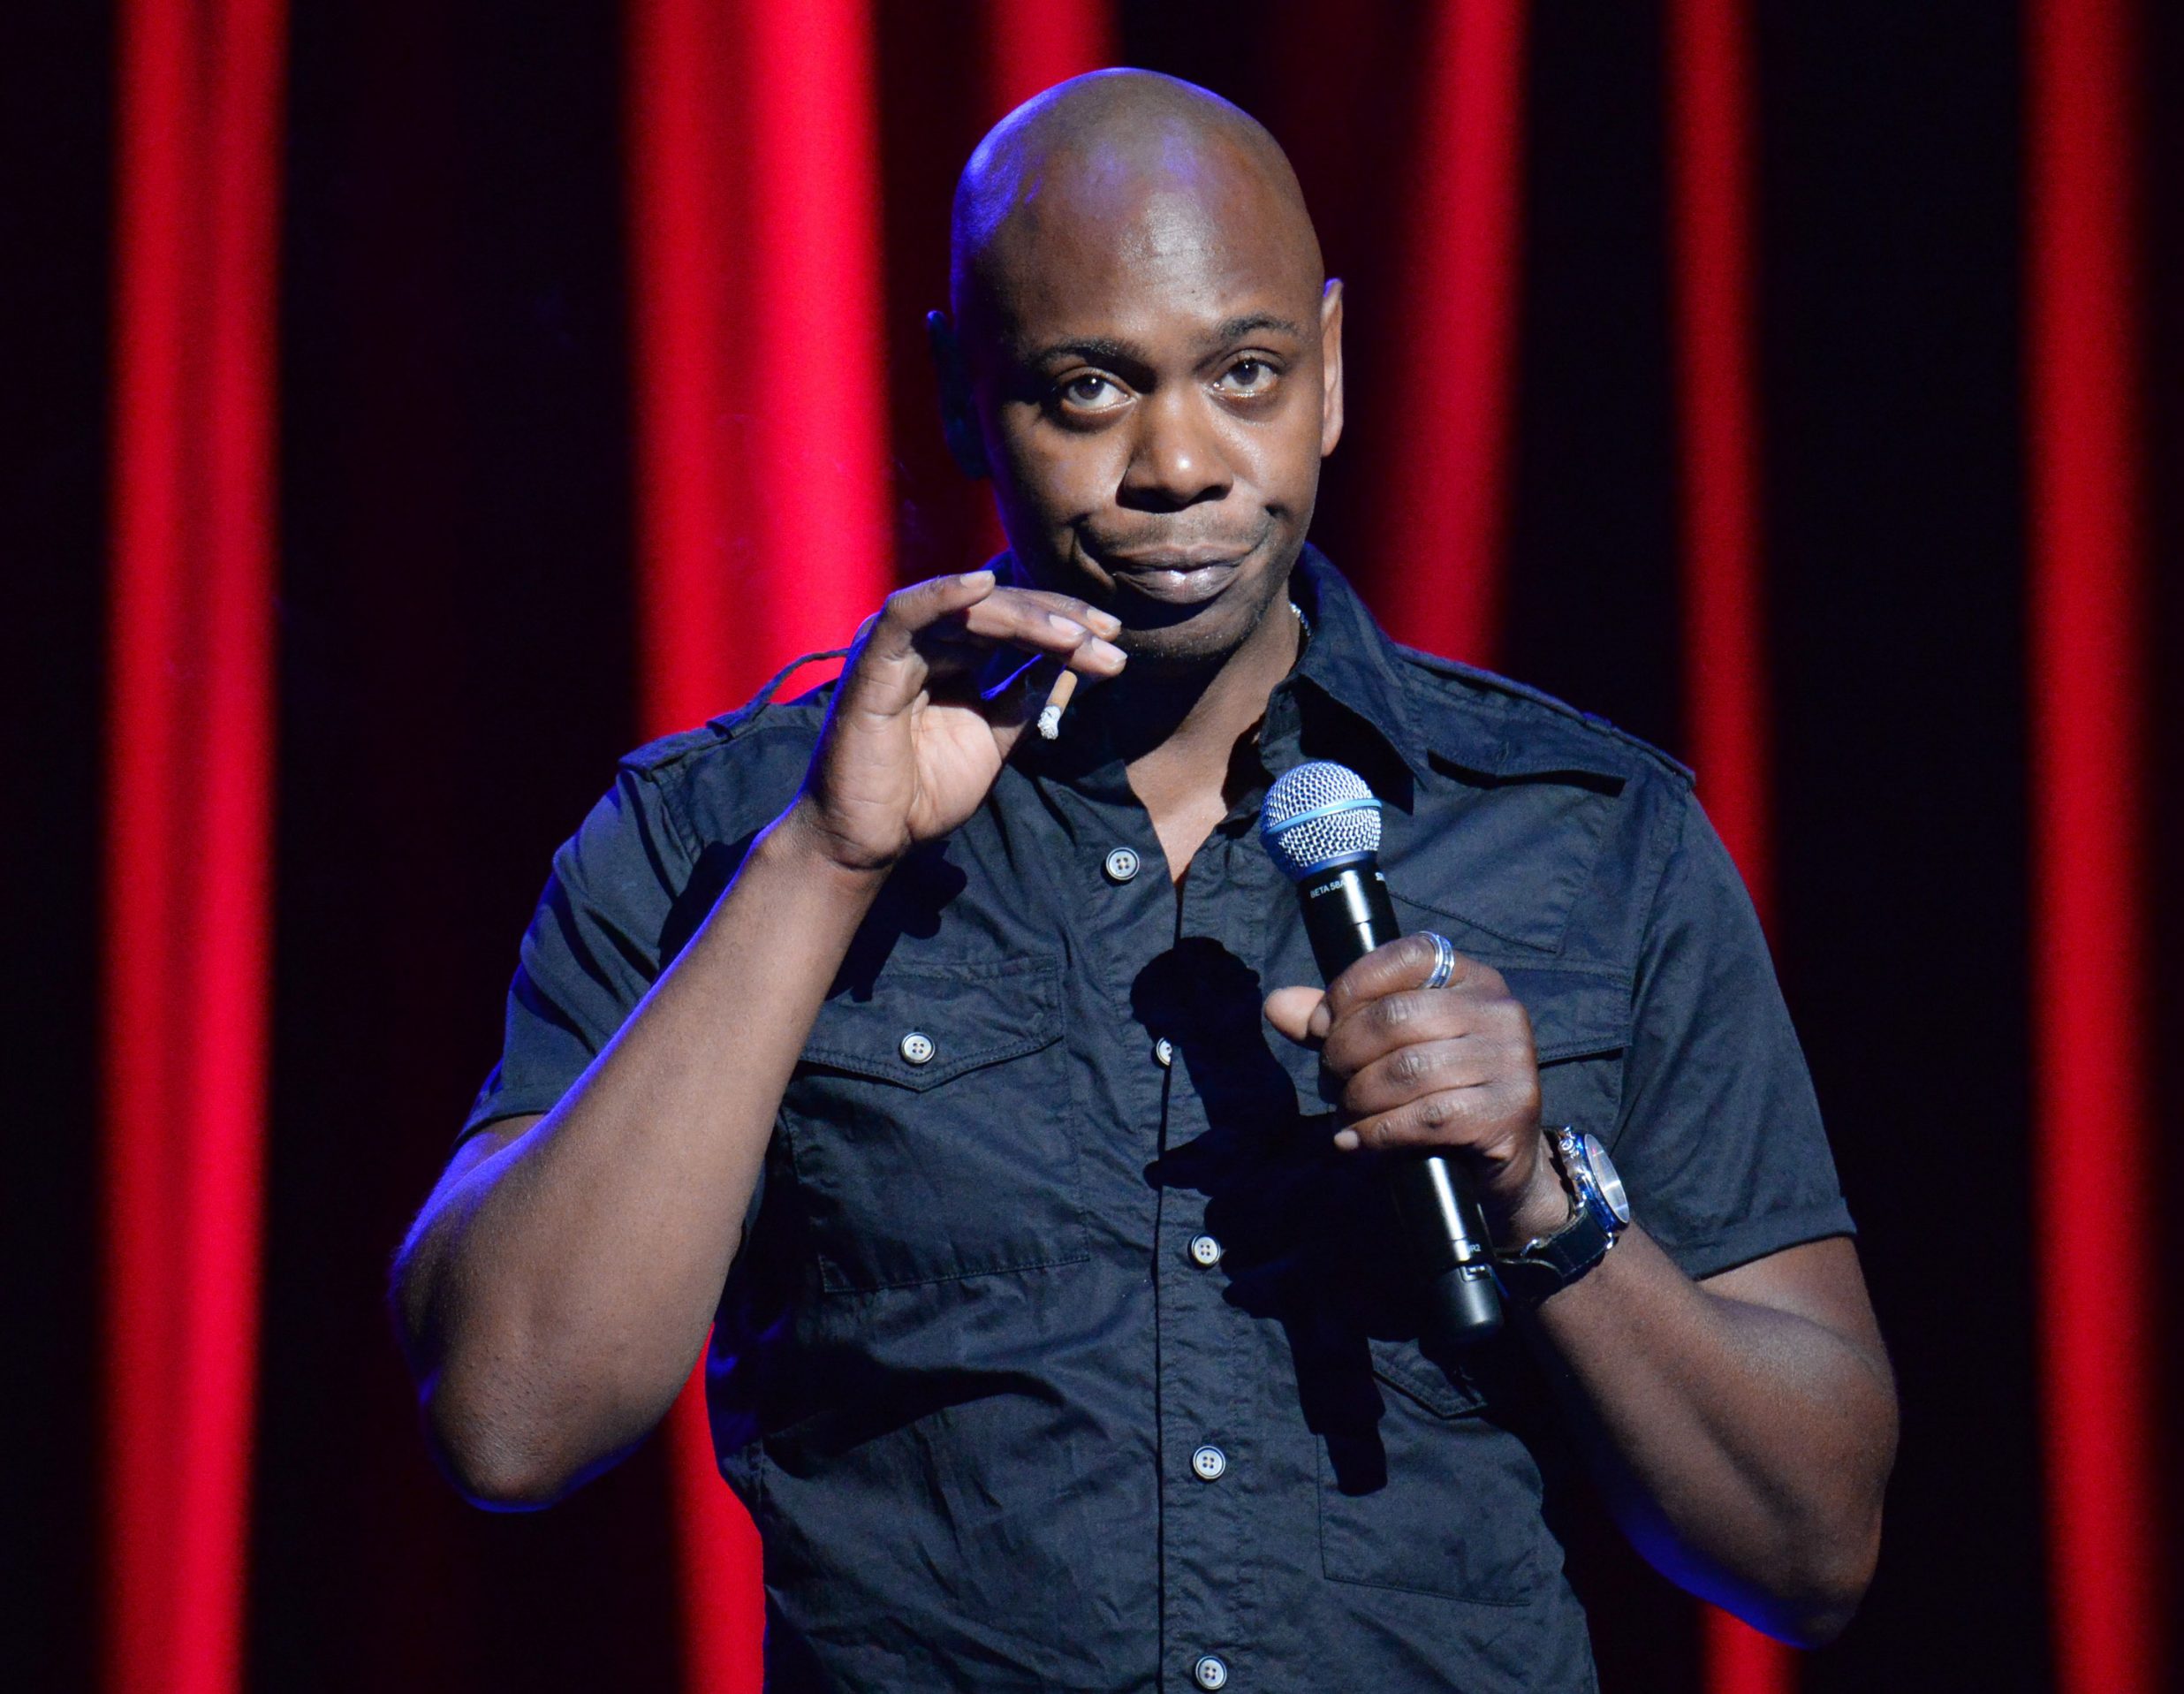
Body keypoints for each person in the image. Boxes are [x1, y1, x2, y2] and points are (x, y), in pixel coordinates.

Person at [391, 69, 1896, 1691]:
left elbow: (1811, 1548)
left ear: (1331, 370)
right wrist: (824, 864)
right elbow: (512, 1415)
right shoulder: (716, 835)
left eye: (1245, 373)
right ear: (961, 395)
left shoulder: (1592, 835)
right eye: (1089, 388)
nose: (1178, 462)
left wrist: (1539, 1198)